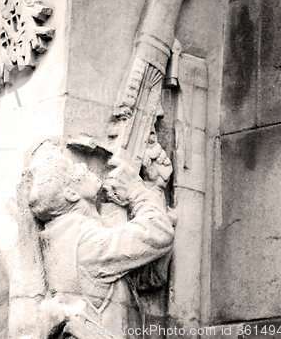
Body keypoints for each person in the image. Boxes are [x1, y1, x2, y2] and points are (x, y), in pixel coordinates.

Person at [28, 141, 174, 339]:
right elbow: (158, 234)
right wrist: (135, 190)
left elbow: (145, 278)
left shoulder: (69, 236)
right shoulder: (87, 242)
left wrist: (154, 191)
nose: (82, 165)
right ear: (71, 194)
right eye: (73, 168)